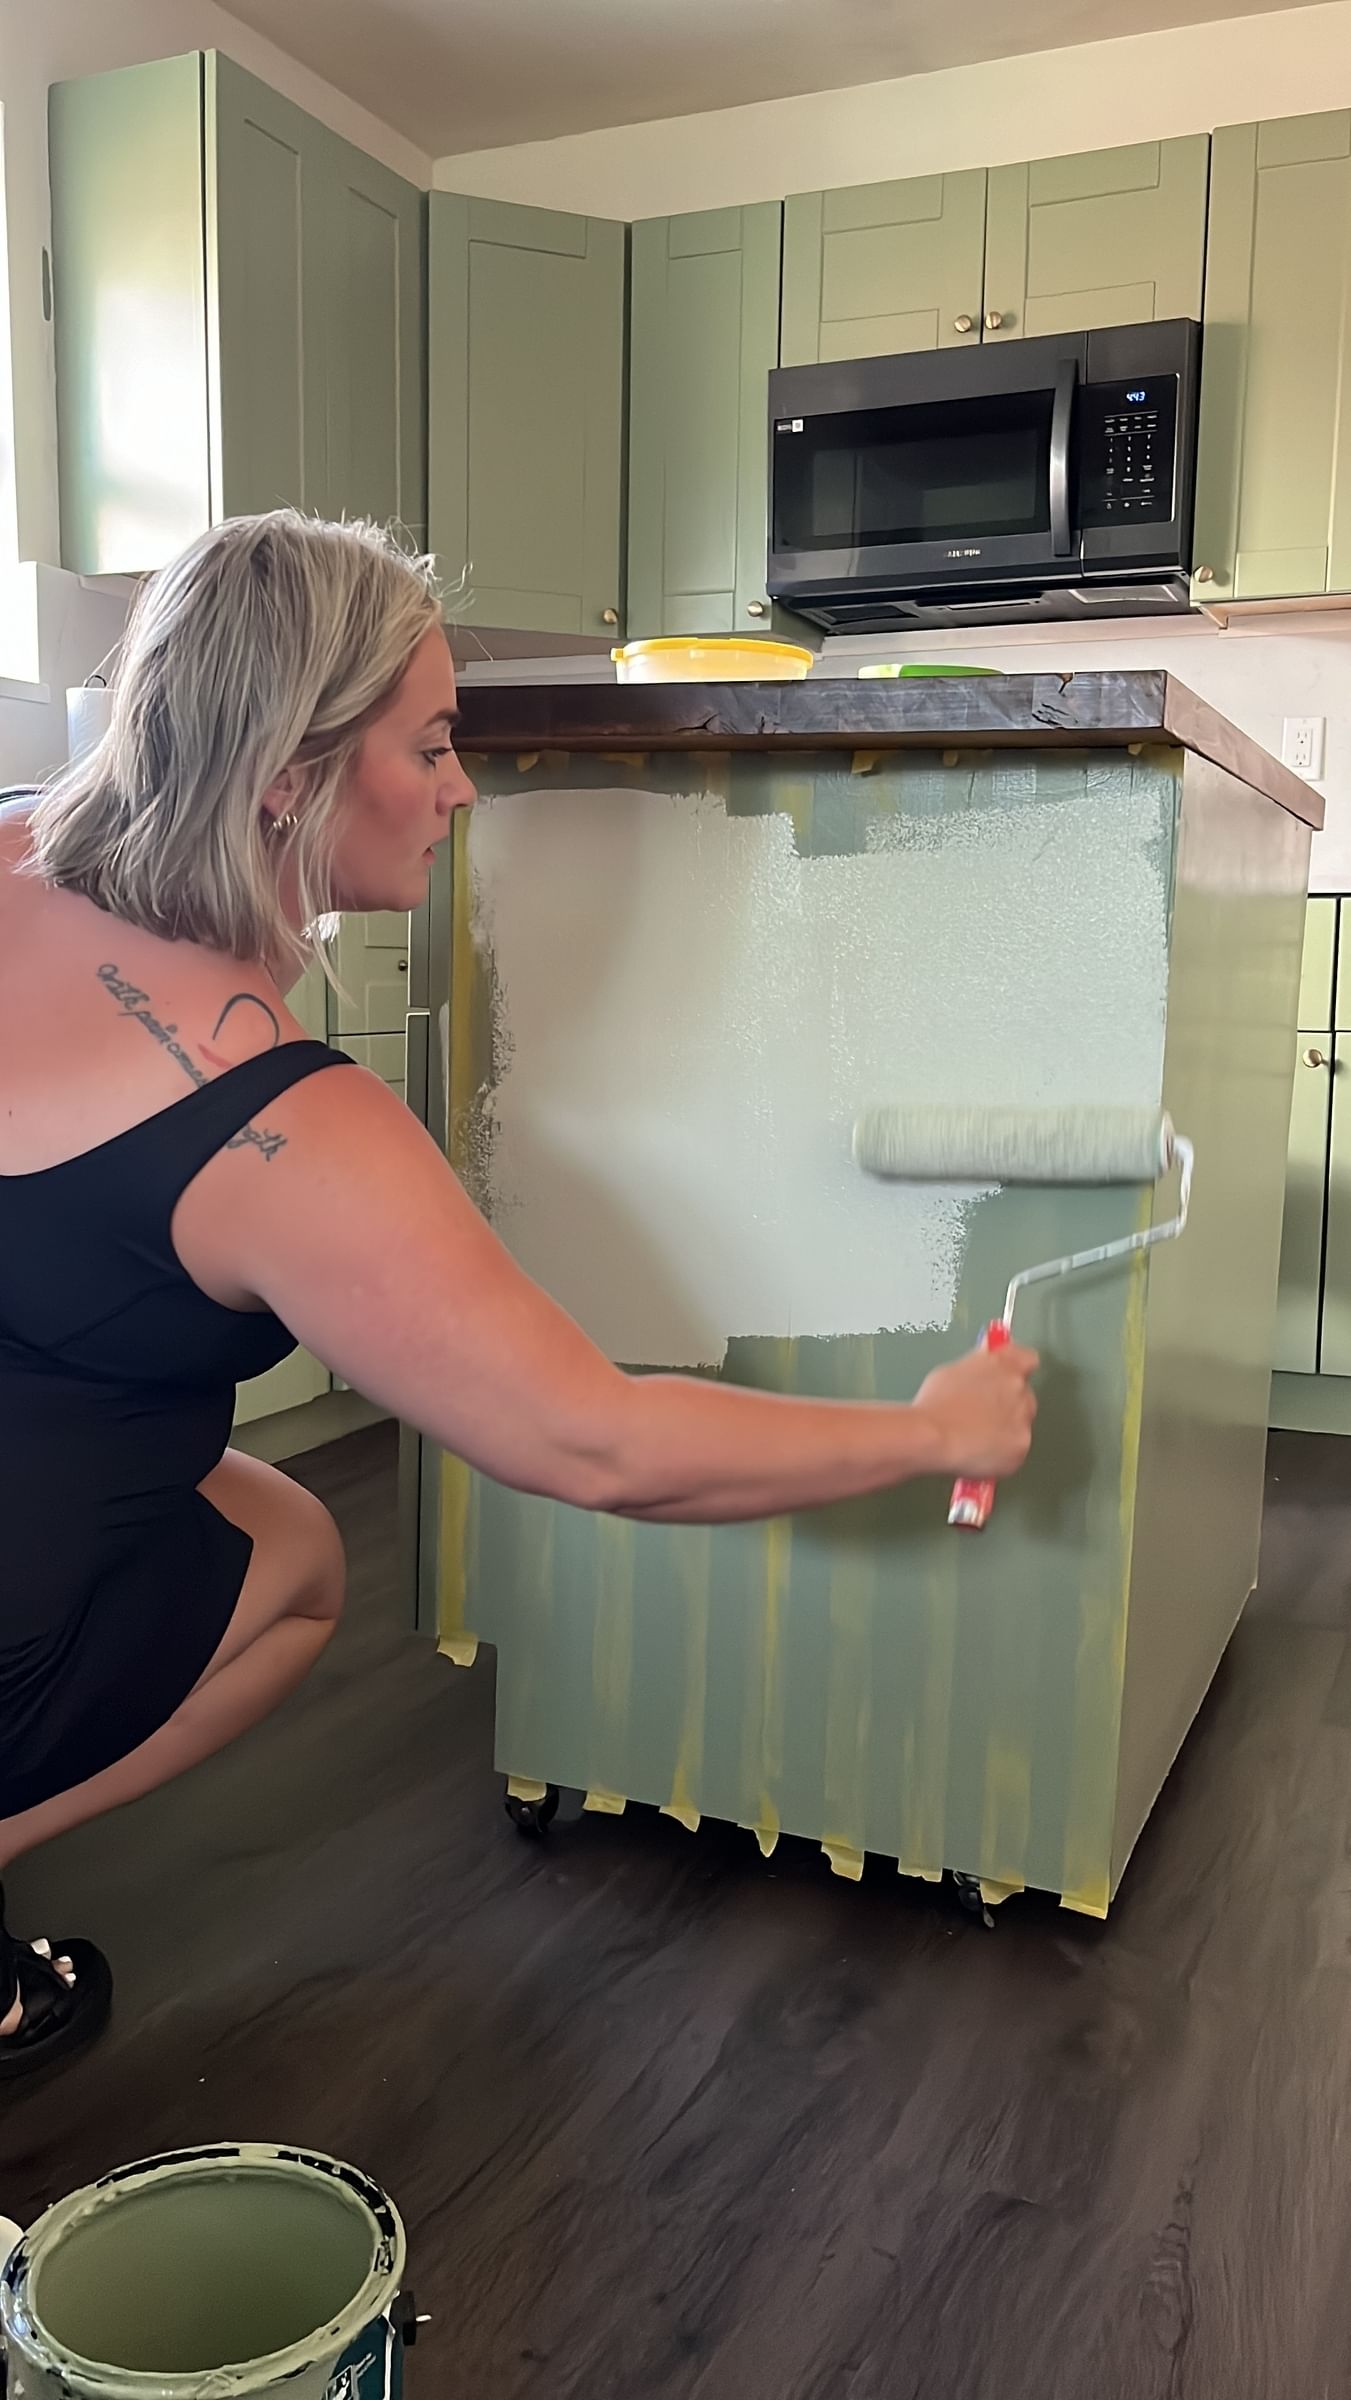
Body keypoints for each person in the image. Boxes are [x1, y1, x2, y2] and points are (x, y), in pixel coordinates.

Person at [0, 512, 1037, 2078]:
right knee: (300, 1576)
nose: (463, 788)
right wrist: (929, 1426)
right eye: (429, 748)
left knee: (264, 1512)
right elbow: (596, 1442)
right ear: (290, 776)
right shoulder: (282, 1124)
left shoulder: (12, 848)